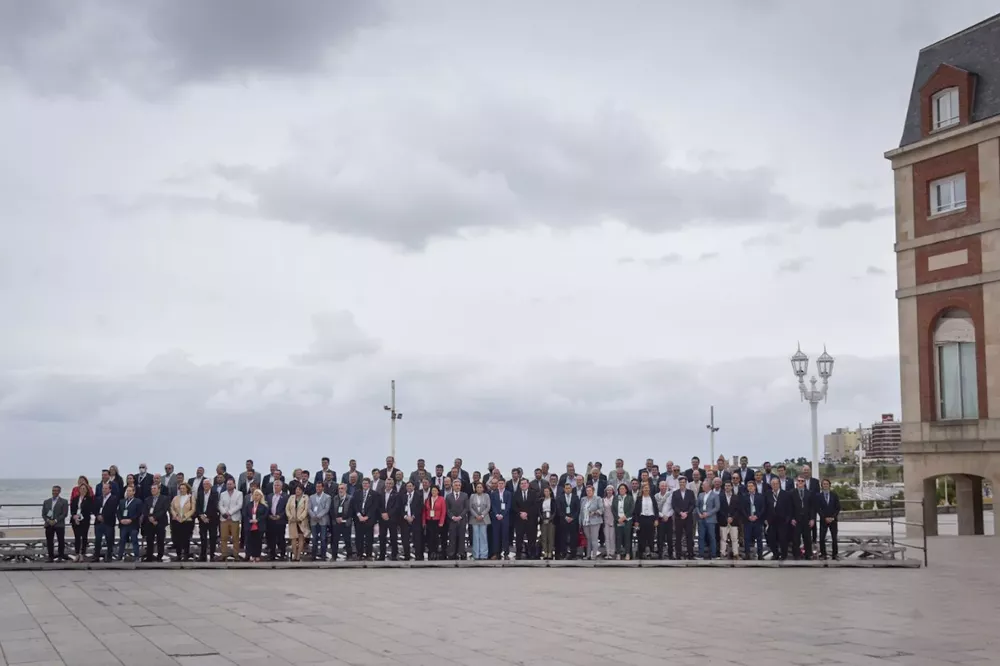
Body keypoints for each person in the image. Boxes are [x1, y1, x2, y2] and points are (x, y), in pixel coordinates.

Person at [142, 483, 170, 562]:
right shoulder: (147, 499)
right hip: (149, 523)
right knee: (149, 540)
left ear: (159, 490)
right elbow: (144, 510)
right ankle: (149, 557)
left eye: (154, 488)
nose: (153, 490)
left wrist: (154, 518)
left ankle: (159, 557)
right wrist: (150, 518)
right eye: (152, 489)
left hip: (160, 522)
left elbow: (163, 510)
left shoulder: (164, 498)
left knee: (160, 540)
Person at [218, 478, 243, 562]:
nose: (229, 485)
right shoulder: (222, 494)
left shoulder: (239, 493)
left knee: (235, 538)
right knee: (223, 538)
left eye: (230, 484)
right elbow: (220, 505)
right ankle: (223, 554)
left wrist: (230, 513)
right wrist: (224, 513)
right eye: (228, 484)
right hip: (224, 518)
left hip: (234, 518)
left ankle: (236, 555)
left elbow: (239, 505)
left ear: (234, 484)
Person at [512, 478, 538, 560]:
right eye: (522, 483)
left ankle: (532, 554)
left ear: (528, 484)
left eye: (525, 483)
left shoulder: (533, 493)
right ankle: (518, 554)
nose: (523, 485)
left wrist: (527, 513)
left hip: (531, 520)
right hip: (519, 520)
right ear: (520, 485)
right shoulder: (516, 494)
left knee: (532, 538)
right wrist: (521, 513)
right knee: (519, 538)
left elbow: (535, 506)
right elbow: (514, 506)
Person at [352, 478, 377, 560]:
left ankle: (369, 555)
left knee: (369, 538)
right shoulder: (357, 493)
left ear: (369, 484)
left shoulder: (374, 494)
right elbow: (354, 505)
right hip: (358, 519)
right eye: (363, 483)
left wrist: (367, 516)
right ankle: (359, 554)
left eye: (366, 483)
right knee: (359, 538)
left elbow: (374, 507)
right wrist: (359, 515)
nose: (365, 485)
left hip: (369, 520)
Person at [671, 477, 696, 560]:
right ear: (679, 483)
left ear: (686, 483)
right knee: (678, 536)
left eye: (683, 482)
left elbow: (693, 504)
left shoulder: (690, 492)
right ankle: (678, 554)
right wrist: (680, 513)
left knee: (689, 536)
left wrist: (687, 513)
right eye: (680, 482)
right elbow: (674, 505)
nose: (682, 483)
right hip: (678, 517)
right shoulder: (675, 493)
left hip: (688, 517)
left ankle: (690, 554)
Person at [42, 485, 68, 562]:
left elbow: (64, 514)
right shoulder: (46, 501)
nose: (55, 492)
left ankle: (60, 556)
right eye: (53, 490)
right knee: (49, 541)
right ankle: (50, 557)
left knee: (61, 541)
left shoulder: (64, 501)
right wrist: (48, 520)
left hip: (59, 524)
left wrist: (55, 521)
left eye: (56, 490)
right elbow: (43, 514)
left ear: (59, 491)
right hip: (49, 524)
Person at [92, 482, 118, 562]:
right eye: (103, 488)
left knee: (109, 540)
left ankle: (109, 556)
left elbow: (112, 510)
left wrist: (104, 517)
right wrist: (97, 515)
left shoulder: (114, 498)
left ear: (110, 489)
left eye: (106, 488)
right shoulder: (98, 498)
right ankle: (96, 556)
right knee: (97, 540)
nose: (104, 490)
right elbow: (94, 509)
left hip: (108, 522)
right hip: (98, 522)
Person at [70, 478, 94, 562]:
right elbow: (72, 509)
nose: (83, 490)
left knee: (84, 537)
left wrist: (80, 516)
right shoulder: (75, 499)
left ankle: (82, 554)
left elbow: (89, 510)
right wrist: (74, 516)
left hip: (85, 520)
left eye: (84, 489)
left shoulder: (89, 499)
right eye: (81, 489)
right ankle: (77, 554)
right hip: (75, 520)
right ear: (79, 490)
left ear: (87, 490)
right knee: (77, 537)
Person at [170, 482, 196, 561]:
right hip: (176, 521)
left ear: (187, 489)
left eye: (183, 488)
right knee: (177, 539)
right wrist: (176, 516)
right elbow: (171, 508)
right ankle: (178, 555)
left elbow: (193, 509)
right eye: (180, 488)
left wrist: (184, 517)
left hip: (187, 521)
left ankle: (186, 555)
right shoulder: (175, 498)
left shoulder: (191, 498)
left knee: (186, 539)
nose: (182, 490)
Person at [196, 478, 220, 562]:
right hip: (202, 519)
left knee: (213, 538)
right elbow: (198, 506)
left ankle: (212, 555)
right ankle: (203, 555)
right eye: (204, 484)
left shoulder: (215, 493)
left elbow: (215, 506)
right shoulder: (200, 493)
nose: (205, 485)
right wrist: (201, 515)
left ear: (210, 485)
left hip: (212, 519)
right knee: (203, 538)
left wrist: (207, 516)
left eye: (207, 484)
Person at [790, 477, 815, 560]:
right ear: (796, 482)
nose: (800, 482)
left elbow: (812, 507)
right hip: (796, 519)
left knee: (807, 538)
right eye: (799, 481)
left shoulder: (809, 493)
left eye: (802, 481)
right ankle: (796, 555)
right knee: (796, 538)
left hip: (806, 519)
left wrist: (812, 519)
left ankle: (808, 554)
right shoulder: (792, 493)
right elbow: (789, 507)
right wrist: (791, 518)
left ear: (804, 483)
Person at [632, 482, 658, 559]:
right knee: (641, 537)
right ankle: (641, 553)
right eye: (645, 488)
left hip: (651, 519)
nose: (646, 489)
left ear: (649, 489)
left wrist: (656, 519)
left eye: (647, 488)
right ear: (642, 489)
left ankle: (650, 553)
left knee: (651, 537)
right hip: (642, 519)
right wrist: (636, 521)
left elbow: (656, 509)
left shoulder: (652, 498)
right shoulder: (639, 498)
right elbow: (636, 511)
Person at [116, 486, 143, 561]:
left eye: (130, 491)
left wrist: (131, 519)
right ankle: (120, 556)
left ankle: (136, 556)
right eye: (127, 491)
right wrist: (120, 520)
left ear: (134, 492)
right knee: (122, 540)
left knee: (134, 540)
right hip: (123, 525)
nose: (128, 492)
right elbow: (118, 512)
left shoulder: (138, 501)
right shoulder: (122, 501)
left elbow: (139, 513)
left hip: (133, 525)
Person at [817, 479, 841, 560]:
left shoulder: (834, 495)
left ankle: (835, 555)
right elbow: (818, 509)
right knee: (821, 538)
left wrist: (832, 517)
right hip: (823, 520)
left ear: (829, 485)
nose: (825, 485)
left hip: (833, 520)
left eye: (827, 484)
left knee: (834, 538)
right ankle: (823, 554)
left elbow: (838, 508)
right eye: (824, 484)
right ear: (822, 486)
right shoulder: (818, 496)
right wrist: (824, 518)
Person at [445, 479, 469, 560]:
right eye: (456, 485)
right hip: (452, 520)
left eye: (459, 485)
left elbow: (466, 508)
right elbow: (447, 509)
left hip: (462, 520)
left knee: (461, 537)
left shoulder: (465, 495)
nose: (457, 487)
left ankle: (461, 553)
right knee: (452, 538)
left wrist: (460, 517)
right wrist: (452, 517)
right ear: (452, 486)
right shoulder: (448, 496)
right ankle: (451, 554)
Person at [266, 480, 289, 561]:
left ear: (281, 487)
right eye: (275, 485)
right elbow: (267, 507)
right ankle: (272, 554)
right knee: (271, 538)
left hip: (280, 521)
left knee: (281, 538)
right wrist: (269, 515)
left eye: (278, 485)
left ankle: (282, 554)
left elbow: (286, 508)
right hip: (271, 520)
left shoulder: (286, 496)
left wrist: (280, 516)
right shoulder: (269, 496)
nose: (276, 487)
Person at [696, 480, 719, 560]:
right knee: (701, 537)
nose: (702, 486)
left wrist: (708, 514)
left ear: (708, 486)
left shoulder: (715, 495)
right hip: (701, 519)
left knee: (712, 537)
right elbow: (697, 506)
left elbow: (717, 507)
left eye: (703, 485)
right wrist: (699, 514)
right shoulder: (700, 495)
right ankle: (701, 555)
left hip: (711, 520)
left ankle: (713, 555)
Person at [718, 480, 741, 559]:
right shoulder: (720, 496)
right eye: (726, 486)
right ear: (724, 487)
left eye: (729, 486)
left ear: (731, 487)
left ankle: (735, 554)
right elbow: (719, 509)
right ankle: (722, 553)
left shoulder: (736, 497)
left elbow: (738, 509)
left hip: (734, 521)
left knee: (734, 539)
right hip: (723, 520)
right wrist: (726, 518)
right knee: (723, 538)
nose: (727, 487)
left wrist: (732, 517)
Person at [489, 477, 511, 560]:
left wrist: (502, 515)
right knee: (496, 536)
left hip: (505, 518)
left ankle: (506, 553)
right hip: (496, 518)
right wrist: (496, 514)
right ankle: (496, 553)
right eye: (499, 483)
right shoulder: (494, 494)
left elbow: (508, 505)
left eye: (502, 483)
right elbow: (493, 505)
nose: (500, 485)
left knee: (505, 536)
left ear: (504, 484)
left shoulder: (508, 493)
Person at [743, 479, 766, 560]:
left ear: (755, 487)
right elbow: (742, 509)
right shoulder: (744, 496)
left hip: (758, 521)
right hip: (748, 521)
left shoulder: (760, 496)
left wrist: (757, 516)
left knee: (759, 539)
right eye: (748, 486)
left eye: (751, 486)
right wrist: (748, 517)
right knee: (747, 538)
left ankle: (760, 555)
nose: (750, 488)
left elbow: (763, 508)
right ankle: (747, 555)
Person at [401, 481, 423, 561]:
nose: (409, 487)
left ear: (414, 487)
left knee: (417, 539)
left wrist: (413, 517)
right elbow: (400, 508)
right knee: (405, 540)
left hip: (415, 520)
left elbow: (420, 507)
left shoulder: (419, 496)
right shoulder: (403, 496)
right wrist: (406, 517)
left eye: (410, 486)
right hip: (405, 521)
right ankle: (407, 556)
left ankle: (418, 556)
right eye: (407, 486)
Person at [580, 484, 604, 560]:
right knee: (588, 539)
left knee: (594, 539)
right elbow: (581, 512)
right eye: (587, 491)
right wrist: (580, 522)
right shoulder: (583, 499)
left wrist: (595, 512)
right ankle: (588, 555)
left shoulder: (598, 499)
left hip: (595, 521)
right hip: (585, 522)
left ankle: (594, 555)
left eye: (590, 490)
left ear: (593, 491)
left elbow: (602, 509)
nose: (588, 492)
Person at [309, 481, 331, 560]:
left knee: (323, 539)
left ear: (322, 487)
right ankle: (313, 556)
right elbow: (309, 508)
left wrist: (319, 516)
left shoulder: (327, 497)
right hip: (313, 520)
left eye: (319, 487)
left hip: (323, 520)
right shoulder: (311, 497)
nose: (318, 488)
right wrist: (313, 516)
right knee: (314, 539)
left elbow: (326, 508)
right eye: (317, 487)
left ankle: (323, 555)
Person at [286, 484, 309, 562]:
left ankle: (298, 555)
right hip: (292, 521)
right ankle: (294, 555)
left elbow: (306, 509)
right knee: (293, 538)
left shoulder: (305, 497)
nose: (297, 491)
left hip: (301, 521)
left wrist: (300, 518)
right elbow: (287, 508)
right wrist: (290, 517)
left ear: (302, 490)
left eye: (299, 489)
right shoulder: (291, 497)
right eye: (296, 489)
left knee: (301, 538)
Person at [330, 483, 353, 561]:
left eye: (342, 488)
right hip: (336, 523)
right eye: (339, 488)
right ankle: (334, 556)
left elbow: (351, 510)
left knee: (347, 540)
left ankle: (349, 556)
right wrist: (336, 518)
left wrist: (343, 518)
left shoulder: (350, 498)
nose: (340, 490)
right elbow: (331, 510)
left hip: (346, 522)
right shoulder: (335, 498)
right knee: (335, 540)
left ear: (346, 489)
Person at [469, 482, 491, 560]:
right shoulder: (472, 496)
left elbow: (488, 507)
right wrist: (476, 515)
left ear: (483, 488)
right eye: (477, 487)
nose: (479, 488)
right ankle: (476, 555)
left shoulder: (486, 496)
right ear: (475, 488)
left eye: (480, 487)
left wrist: (482, 515)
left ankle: (483, 555)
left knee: (483, 536)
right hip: (474, 518)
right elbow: (470, 507)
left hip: (483, 519)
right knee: (475, 537)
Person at [423, 484, 446, 560]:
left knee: (436, 538)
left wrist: (441, 522)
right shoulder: (427, 499)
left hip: (437, 521)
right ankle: (430, 553)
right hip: (429, 521)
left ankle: (436, 553)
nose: (434, 492)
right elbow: (424, 511)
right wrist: (424, 522)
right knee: (430, 538)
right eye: (432, 490)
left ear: (438, 491)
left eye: (435, 490)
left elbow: (443, 511)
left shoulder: (441, 499)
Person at [612, 483, 633, 560]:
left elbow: (632, 509)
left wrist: (624, 517)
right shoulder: (615, 498)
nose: (622, 490)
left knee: (627, 537)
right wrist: (618, 518)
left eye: (623, 488)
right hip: (618, 521)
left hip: (627, 520)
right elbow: (613, 509)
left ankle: (627, 553)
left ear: (626, 490)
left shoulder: (630, 498)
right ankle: (618, 553)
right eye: (620, 489)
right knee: (618, 537)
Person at [245, 489, 267, 563]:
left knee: (258, 541)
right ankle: (251, 555)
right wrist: (249, 520)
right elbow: (245, 514)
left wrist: (258, 520)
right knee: (250, 541)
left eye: (257, 495)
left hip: (259, 525)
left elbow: (265, 515)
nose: (256, 496)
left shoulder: (264, 506)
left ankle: (257, 555)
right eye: (255, 495)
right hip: (250, 525)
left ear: (261, 496)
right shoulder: (249, 505)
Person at [537, 486, 556, 560]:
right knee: (544, 537)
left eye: (547, 491)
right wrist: (542, 518)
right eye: (545, 491)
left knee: (550, 537)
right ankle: (545, 552)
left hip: (551, 519)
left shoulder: (553, 500)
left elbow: (555, 511)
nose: (546, 493)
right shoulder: (541, 500)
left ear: (550, 492)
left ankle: (550, 552)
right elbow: (539, 511)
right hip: (543, 519)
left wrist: (550, 519)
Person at [601, 485, 616, 559]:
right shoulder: (603, 499)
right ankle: (607, 553)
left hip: (613, 519)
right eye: (608, 490)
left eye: (610, 490)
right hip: (605, 520)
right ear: (606, 491)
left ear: (613, 491)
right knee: (606, 537)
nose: (609, 491)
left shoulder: (615, 499)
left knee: (612, 537)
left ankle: (612, 552)